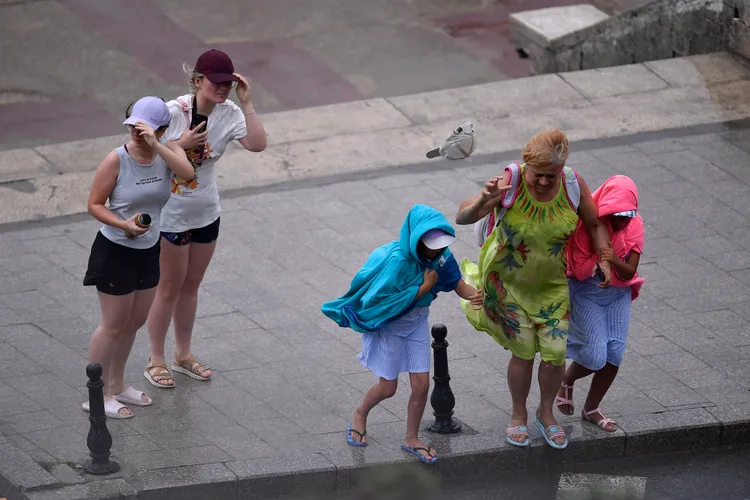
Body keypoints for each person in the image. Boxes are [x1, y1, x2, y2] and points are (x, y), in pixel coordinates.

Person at [455, 129, 612, 449]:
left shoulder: (571, 184)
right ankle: (517, 416)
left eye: (550, 176)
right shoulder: (510, 180)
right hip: (508, 286)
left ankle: (546, 413)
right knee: (523, 353)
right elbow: (462, 216)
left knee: (555, 357)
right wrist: (485, 199)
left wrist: (605, 259)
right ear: (527, 166)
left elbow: (595, 223)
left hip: (552, 287)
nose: (543, 181)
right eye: (538, 175)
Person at [321, 205, 483, 464]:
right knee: (388, 388)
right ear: (415, 239)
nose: (436, 250)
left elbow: (457, 284)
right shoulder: (396, 261)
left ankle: (412, 438)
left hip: (417, 325)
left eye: (440, 244)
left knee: (422, 385)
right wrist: (423, 288)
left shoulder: (442, 257)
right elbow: (384, 304)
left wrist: (475, 295)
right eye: (431, 245)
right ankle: (360, 414)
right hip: (391, 329)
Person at [144, 49, 267, 388]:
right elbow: (144, 152)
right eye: (216, 82)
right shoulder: (171, 112)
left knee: (191, 286)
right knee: (167, 288)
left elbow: (258, 144)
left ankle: (183, 355)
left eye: (228, 82)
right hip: (170, 214)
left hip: (206, 212)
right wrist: (179, 144)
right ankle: (155, 359)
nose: (223, 88)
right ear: (198, 81)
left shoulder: (229, 113)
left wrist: (248, 102)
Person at [82, 96, 195, 418]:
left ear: (160, 129)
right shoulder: (116, 160)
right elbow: (94, 204)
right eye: (132, 126)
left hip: (148, 249)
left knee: (135, 321)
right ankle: (96, 394)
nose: (136, 133)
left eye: (143, 127)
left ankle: (117, 385)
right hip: (115, 249)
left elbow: (187, 174)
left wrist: (157, 146)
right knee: (113, 324)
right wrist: (123, 225)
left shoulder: (168, 151)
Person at [556, 175, 644, 432]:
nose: (623, 220)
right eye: (617, 214)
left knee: (614, 354)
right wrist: (598, 262)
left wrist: (613, 260)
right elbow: (579, 271)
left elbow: (629, 272)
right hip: (585, 292)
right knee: (595, 355)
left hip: (618, 294)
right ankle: (566, 379)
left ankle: (592, 408)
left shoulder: (635, 225)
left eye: (628, 214)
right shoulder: (583, 227)